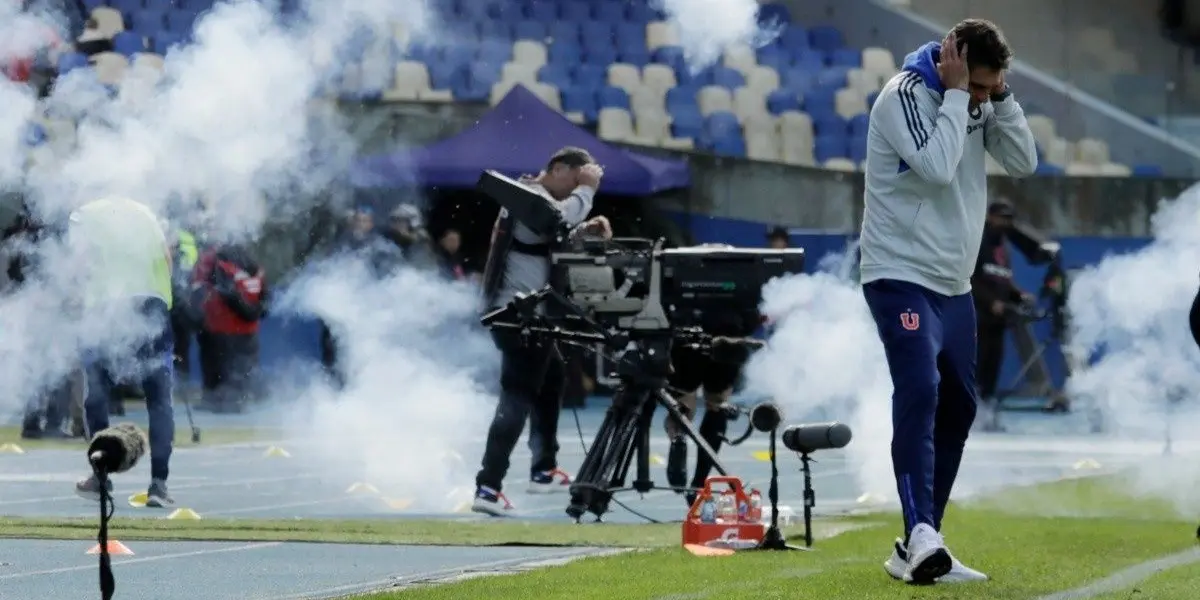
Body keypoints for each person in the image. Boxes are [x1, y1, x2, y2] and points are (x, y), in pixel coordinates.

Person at [858, 19, 1037, 584]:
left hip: (953, 285)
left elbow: (1025, 163)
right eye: (979, 85)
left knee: (960, 405)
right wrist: (960, 97)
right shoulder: (903, 95)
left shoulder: (981, 99)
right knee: (921, 389)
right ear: (951, 62)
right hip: (899, 273)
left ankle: (917, 546)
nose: (985, 98)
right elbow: (935, 169)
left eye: (994, 87)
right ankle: (921, 534)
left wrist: (998, 98)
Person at [471, 147, 613, 516]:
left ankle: (544, 469)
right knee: (517, 394)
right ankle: (488, 487)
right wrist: (588, 191)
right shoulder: (530, 195)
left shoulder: (537, 199)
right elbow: (555, 222)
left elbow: (552, 236)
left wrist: (586, 228)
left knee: (551, 381)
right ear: (557, 168)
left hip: (531, 315)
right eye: (576, 177)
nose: (579, 186)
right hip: (517, 317)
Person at [70, 197, 176, 508]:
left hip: (105, 307)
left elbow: (77, 265)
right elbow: (167, 260)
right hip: (152, 304)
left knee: (97, 393)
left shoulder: (83, 215)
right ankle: (159, 484)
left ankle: (101, 477)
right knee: (158, 397)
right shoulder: (146, 212)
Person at [971, 200, 1034, 407]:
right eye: (1001, 218)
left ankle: (985, 412)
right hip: (978, 318)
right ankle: (969, 413)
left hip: (998, 321)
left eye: (1009, 219)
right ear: (990, 217)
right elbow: (970, 279)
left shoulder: (1003, 247)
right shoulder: (977, 241)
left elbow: (1003, 280)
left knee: (992, 367)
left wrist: (1019, 296)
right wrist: (991, 303)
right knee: (976, 368)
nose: (1005, 223)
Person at [192, 243, 268, 413]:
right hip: (248, 329)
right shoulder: (259, 271)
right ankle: (230, 399)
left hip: (224, 327)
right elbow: (265, 300)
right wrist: (254, 312)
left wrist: (249, 311)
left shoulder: (224, 268)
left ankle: (227, 401)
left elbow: (229, 295)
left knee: (224, 367)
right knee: (241, 367)